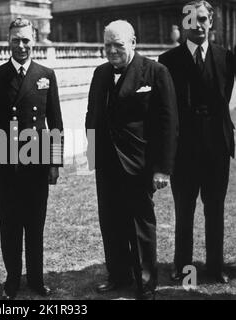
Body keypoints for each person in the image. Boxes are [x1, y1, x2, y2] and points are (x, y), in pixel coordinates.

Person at [86, 20, 178, 299]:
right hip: (107, 164)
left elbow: (168, 123)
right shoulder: (100, 73)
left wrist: (162, 169)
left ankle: (145, 284)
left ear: (133, 43)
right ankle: (117, 275)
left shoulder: (155, 72)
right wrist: (91, 158)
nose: (112, 51)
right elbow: (92, 116)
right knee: (111, 223)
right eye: (107, 45)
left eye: (118, 45)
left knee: (140, 226)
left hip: (139, 165)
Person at [0, 18, 64, 300]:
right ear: (8, 41)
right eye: (16, 39)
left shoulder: (46, 74)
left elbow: (56, 122)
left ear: (34, 41)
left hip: (37, 164)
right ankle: (13, 279)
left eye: (26, 40)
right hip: (6, 164)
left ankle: (37, 279)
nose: (21, 45)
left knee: (35, 224)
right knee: (10, 225)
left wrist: (54, 162)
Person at [158, 0, 234, 284]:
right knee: (184, 212)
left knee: (215, 211)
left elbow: (223, 99)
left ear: (211, 22)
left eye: (202, 19)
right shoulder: (167, 61)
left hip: (216, 149)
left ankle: (215, 268)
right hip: (184, 152)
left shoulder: (226, 58)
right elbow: (165, 109)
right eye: (192, 20)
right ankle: (182, 266)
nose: (198, 25)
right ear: (183, 25)